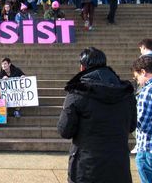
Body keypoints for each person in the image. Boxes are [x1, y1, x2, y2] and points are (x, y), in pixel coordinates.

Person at [57, 47, 136, 183]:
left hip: (87, 167)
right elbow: (132, 126)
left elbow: (65, 130)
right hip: (118, 165)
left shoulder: (77, 93)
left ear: (82, 67)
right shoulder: (126, 93)